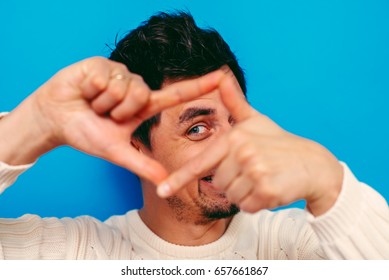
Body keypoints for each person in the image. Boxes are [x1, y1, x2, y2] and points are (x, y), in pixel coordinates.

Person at [0, 11, 388, 260]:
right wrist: (28, 126)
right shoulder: (73, 255)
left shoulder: (296, 247)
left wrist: (327, 181)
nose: (230, 146)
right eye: (197, 128)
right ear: (136, 141)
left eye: (234, 122)